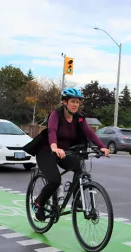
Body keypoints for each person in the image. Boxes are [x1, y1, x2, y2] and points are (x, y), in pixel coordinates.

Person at [32, 87, 109, 221]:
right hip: (47, 151)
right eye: (72, 101)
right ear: (65, 102)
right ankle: (39, 204)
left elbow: (89, 133)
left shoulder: (78, 119)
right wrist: (54, 147)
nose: (75, 105)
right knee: (55, 180)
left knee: (79, 168)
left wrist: (102, 147)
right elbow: (52, 131)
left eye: (78, 102)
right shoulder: (56, 115)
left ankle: (77, 201)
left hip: (65, 152)